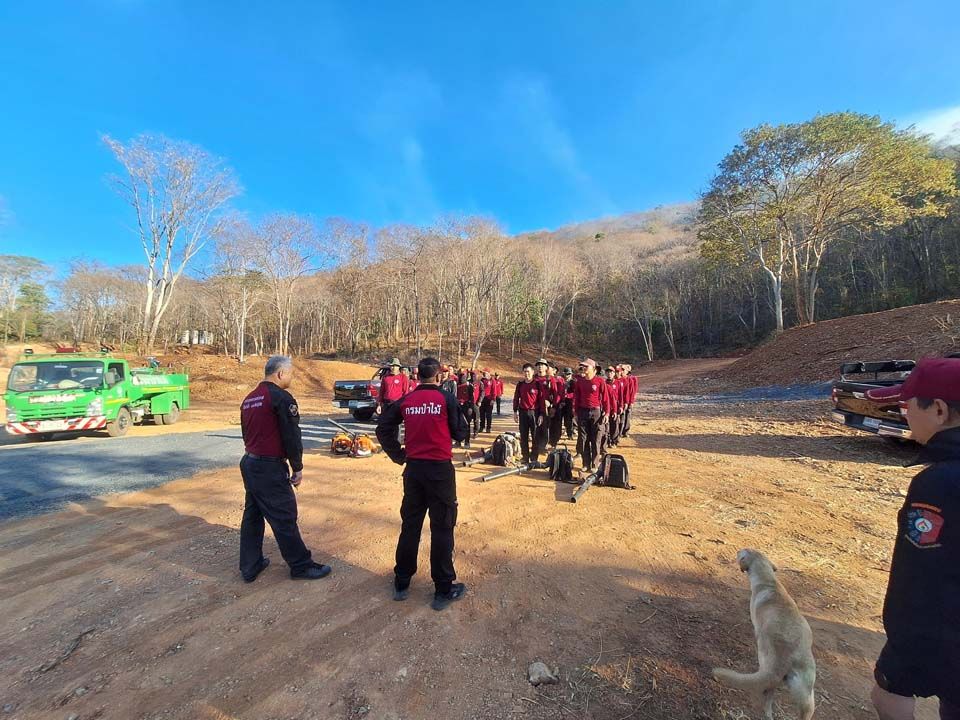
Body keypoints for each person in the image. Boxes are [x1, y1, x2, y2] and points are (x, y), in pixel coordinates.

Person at [866, 358, 960, 720]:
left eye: (907, 405)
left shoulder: (938, 485)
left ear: (938, 409)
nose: (903, 413)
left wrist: (900, 663)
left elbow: (919, 583)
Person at [376, 357, 470, 611]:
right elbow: (461, 432)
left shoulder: (407, 400)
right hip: (439, 471)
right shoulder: (446, 399)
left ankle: (402, 582)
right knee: (442, 528)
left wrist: (399, 454)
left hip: (414, 470)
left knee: (411, 525)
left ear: (417, 376)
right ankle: (442, 589)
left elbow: (383, 427)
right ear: (439, 376)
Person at [239, 355, 332, 582]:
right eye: (290, 373)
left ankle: (250, 566)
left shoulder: (249, 398)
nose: (291, 377)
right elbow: (291, 436)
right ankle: (301, 566)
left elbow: (246, 433)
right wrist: (297, 467)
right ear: (280, 373)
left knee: (253, 515)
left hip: (250, 463)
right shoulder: (280, 397)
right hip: (269, 467)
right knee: (284, 516)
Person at [572, 359, 611, 472]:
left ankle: (594, 465)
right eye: (582, 367)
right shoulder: (580, 381)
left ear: (593, 369)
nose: (583, 369)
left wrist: (607, 413)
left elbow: (605, 399)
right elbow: (576, 398)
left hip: (596, 412)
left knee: (595, 439)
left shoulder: (600, 381)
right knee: (584, 439)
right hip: (582, 412)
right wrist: (575, 413)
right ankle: (586, 464)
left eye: (586, 367)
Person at [513, 363, 545, 466]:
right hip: (523, 412)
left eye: (529, 372)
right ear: (523, 373)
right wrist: (515, 412)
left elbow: (541, 400)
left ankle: (534, 457)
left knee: (535, 436)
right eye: (525, 372)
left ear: (532, 372)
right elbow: (516, 398)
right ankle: (525, 457)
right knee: (524, 436)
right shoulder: (520, 385)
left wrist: (541, 414)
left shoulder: (537, 385)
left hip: (534, 413)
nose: (527, 374)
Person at [456, 371, 479, 447]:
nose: (462, 377)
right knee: (457, 424)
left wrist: (470, 408)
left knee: (467, 425)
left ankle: (467, 441)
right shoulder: (456, 385)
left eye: (464, 376)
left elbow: (472, 398)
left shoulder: (469, 386)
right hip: (458, 406)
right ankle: (458, 441)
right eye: (461, 376)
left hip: (467, 406)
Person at [547, 362, 566, 448]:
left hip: (556, 404)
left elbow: (560, 393)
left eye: (549, 368)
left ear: (554, 370)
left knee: (556, 424)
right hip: (545, 405)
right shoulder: (542, 379)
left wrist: (557, 404)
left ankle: (554, 442)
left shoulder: (559, 380)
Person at [478, 369, 495, 433]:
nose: (484, 374)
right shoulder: (482, 380)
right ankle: (482, 427)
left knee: (488, 414)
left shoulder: (492, 380)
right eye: (483, 373)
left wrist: (493, 399)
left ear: (489, 373)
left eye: (485, 373)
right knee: (482, 414)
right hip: (482, 399)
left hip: (489, 399)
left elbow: (494, 390)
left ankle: (488, 427)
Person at [561, 367, 576, 440]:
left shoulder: (573, 382)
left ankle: (570, 433)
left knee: (569, 419)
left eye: (569, 374)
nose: (567, 375)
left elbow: (575, 393)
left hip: (569, 402)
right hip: (561, 401)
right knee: (559, 418)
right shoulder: (561, 381)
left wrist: (568, 395)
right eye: (566, 374)